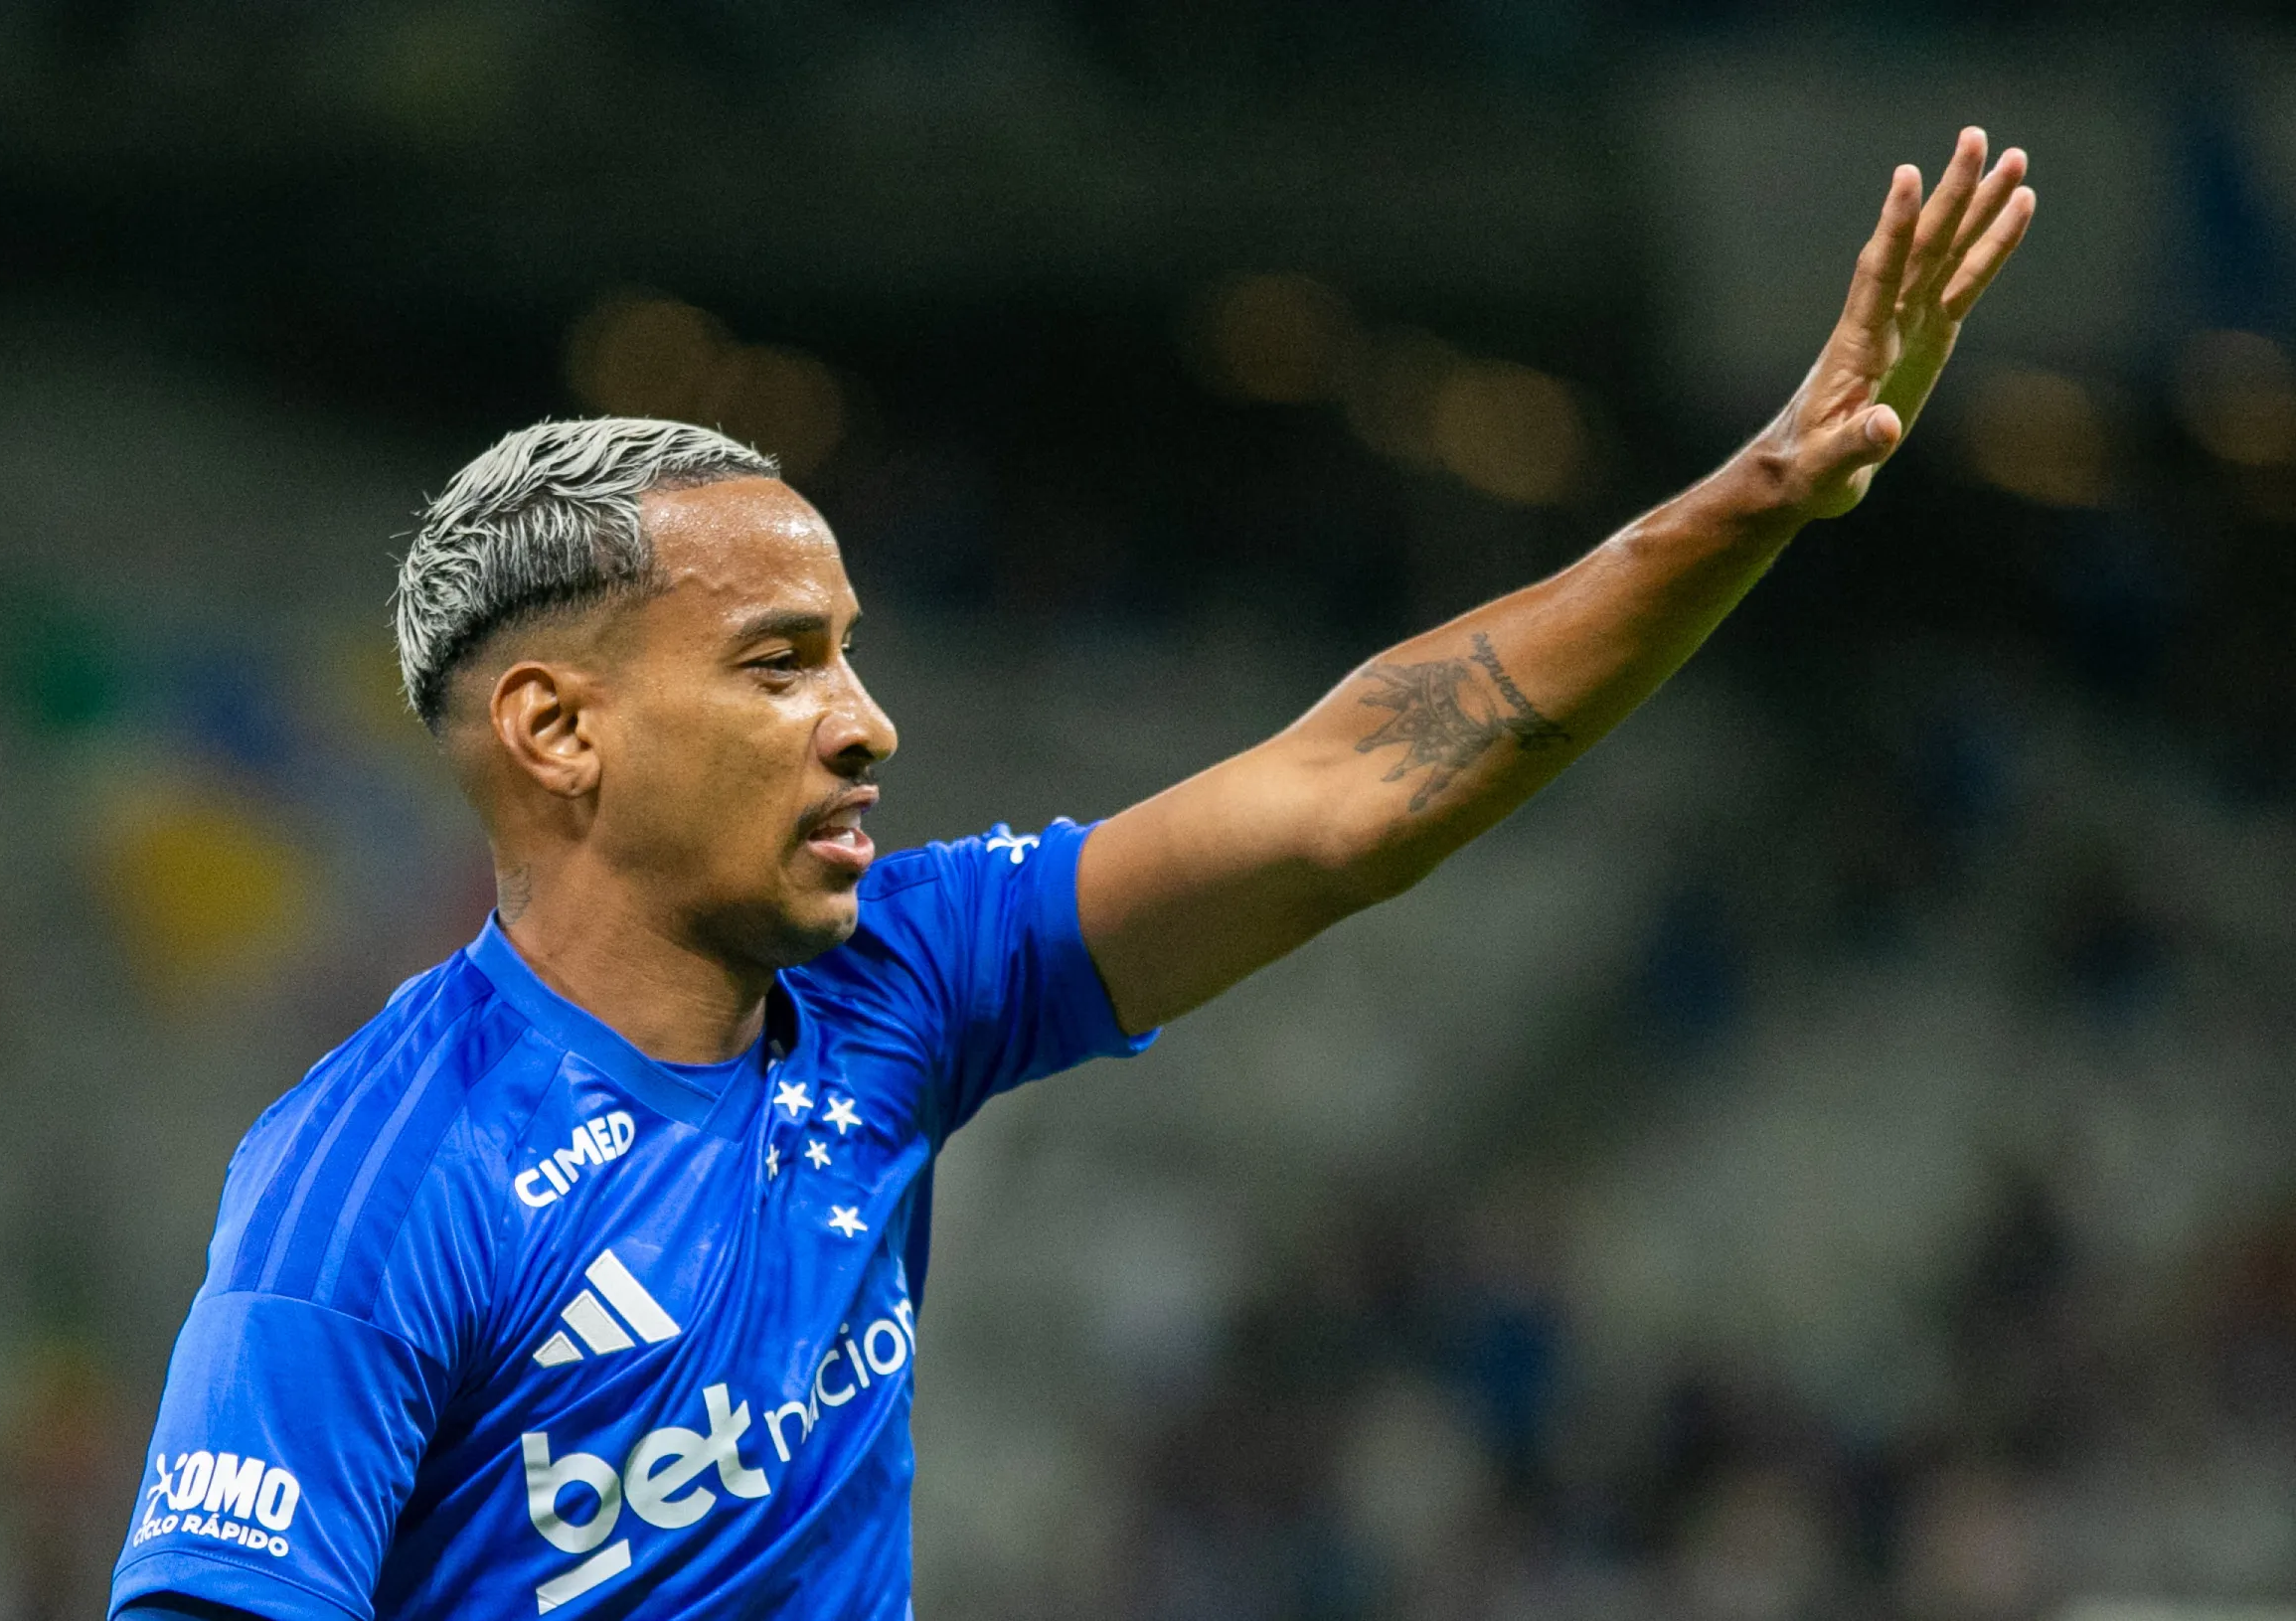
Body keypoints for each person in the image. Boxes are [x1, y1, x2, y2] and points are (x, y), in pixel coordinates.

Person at [111, 130, 2033, 1621]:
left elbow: (1343, 794)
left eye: (851, 649)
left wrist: (1748, 500)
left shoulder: (896, 983)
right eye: (780, 662)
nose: (866, 722)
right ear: (555, 731)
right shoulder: (374, 1180)